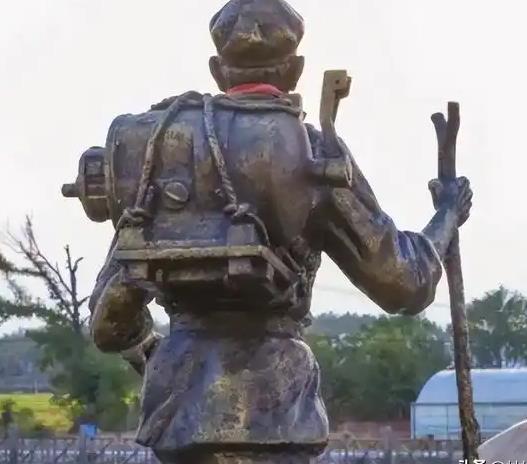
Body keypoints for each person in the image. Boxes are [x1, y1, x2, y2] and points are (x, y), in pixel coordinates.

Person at [87, 1, 473, 463]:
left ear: (217, 71)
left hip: (177, 416)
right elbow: (403, 282)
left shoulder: (160, 157)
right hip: (277, 413)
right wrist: (446, 216)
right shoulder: (310, 151)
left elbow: (109, 326)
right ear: (296, 70)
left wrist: (158, 354)